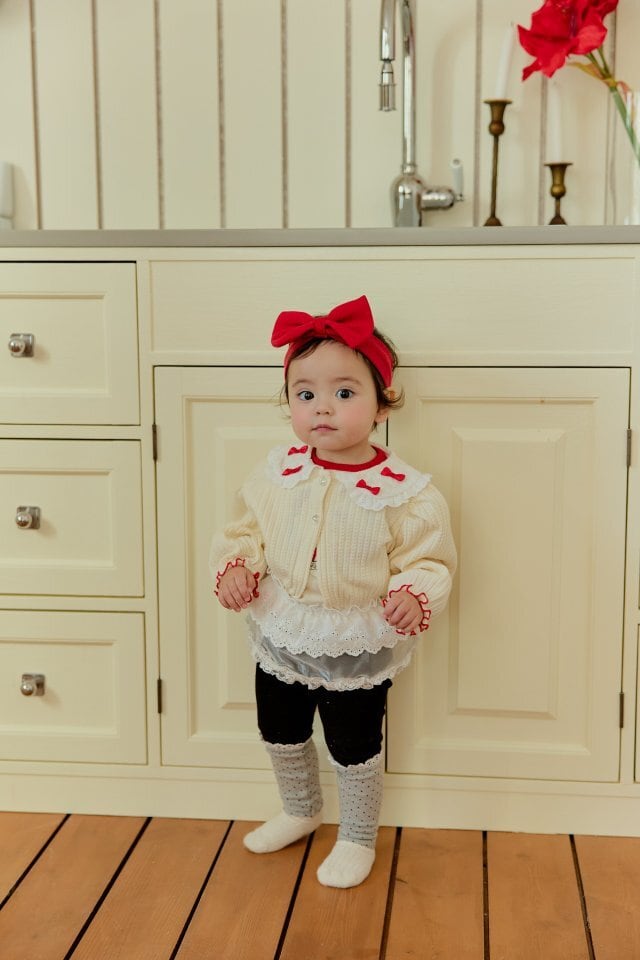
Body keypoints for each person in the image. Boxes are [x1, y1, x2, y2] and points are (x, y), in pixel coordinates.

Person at [210, 294, 456, 888]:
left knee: (353, 741)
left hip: (355, 639)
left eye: (345, 393)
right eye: (305, 394)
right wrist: (237, 566)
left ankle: (357, 836)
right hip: (284, 627)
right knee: (279, 727)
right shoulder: (277, 474)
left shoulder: (405, 492)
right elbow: (245, 530)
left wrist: (415, 594)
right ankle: (300, 808)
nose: (322, 407)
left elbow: (429, 558)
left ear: (382, 404)